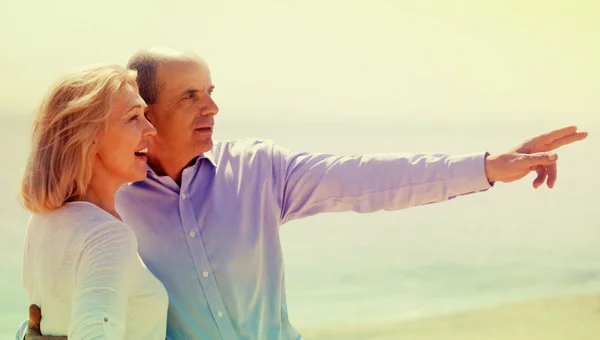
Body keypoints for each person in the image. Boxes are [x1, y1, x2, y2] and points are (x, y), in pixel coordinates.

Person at [18, 47, 588, 340]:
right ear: (146, 112)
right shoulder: (108, 204)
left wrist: (487, 166)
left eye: (212, 91)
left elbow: (373, 179)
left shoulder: (259, 170)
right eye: (189, 96)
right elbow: (63, 309)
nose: (212, 107)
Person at [18, 64, 168, 339]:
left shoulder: (42, 220)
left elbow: (46, 322)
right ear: (90, 137)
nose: (150, 129)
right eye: (134, 117)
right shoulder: (108, 235)